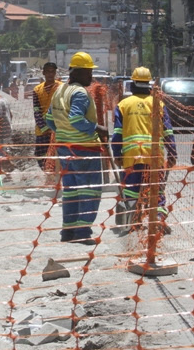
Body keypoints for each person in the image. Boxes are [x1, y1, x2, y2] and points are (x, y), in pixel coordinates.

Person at [45, 52, 108, 245]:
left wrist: (63, 132)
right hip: (84, 148)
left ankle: (68, 232)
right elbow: (76, 118)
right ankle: (82, 232)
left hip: (64, 148)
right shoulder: (80, 93)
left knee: (71, 190)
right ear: (78, 72)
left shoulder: (59, 90)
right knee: (89, 190)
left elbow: (49, 119)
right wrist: (97, 128)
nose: (91, 77)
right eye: (88, 72)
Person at [111, 66, 177, 233]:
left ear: (132, 84)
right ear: (149, 85)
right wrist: (173, 152)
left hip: (131, 157)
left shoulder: (123, 105)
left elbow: (118, 133)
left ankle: (135, 220)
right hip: (154, 157)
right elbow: (168, 130)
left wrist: (116, 154)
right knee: (157, 191)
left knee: (132, 191)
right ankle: (159, 219)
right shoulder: (158, 104)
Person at [32, 62, 62, 170]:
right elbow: (36, 110)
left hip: (58, 130)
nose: (50, 74)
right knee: (40, 154)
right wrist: (44, 127)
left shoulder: (61, 87)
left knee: (58, 154)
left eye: (52, 72)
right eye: (48, 71)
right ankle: (48, 173)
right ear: (43, 72)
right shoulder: (37, 90)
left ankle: (56, 175)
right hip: (42, 130)